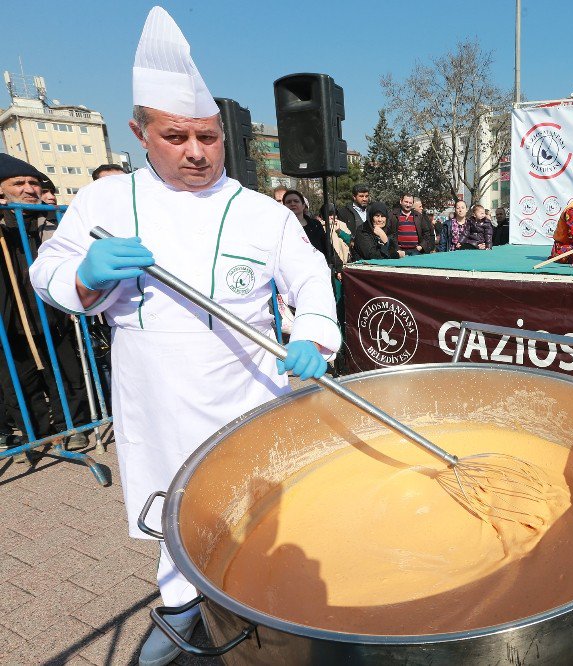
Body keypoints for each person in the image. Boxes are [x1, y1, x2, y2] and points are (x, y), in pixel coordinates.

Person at [28, 9, 341, 666]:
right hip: (153, 398)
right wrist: (81, 277)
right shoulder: (104, 205)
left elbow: (312, 280)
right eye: (176, 137)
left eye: (207, 136)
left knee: (258, 515)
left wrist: (314, 333)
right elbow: (47, 268)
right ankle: (179, 613)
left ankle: (263, 615)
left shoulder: (261, 214)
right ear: (142, 134)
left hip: (244, 397)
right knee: (174, 512)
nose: (196, 151)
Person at [0, 154, 89, 459]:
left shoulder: (52, 220)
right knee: (19, 380)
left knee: (66, 374)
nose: (28, 189)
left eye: (33, 182)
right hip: (10, 319)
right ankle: (36, 434)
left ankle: (74, 427)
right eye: (19, 183)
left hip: (51, 313)